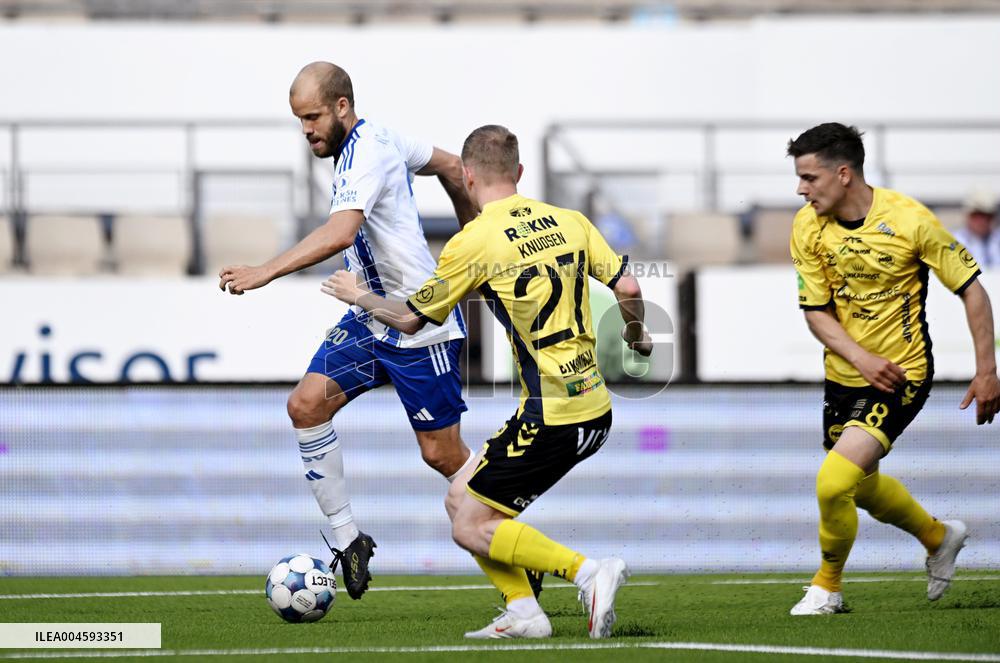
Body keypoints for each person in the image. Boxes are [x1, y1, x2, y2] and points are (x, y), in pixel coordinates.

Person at [322, 124, 653, 638]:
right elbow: (628, 285)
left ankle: (588, 573)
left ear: (468, 176)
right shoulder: (570, 220)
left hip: (552, 414)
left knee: (468, 524)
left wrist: (358, 294)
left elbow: (411, 320)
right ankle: (524, 612)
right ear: (519, 172)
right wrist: (636, 333)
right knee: (460, 498)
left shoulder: (473, 241)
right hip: (595, 407)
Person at [218, 62, 479, 600]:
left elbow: (341, 233)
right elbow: (453, 165)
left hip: (415, 320)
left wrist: (264, 271)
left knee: (442, 456)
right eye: (298, 120)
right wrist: (472, 228)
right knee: (305, 406)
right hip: (368, 313)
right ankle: (349, 540)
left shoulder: (367, 152)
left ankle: (517, 544)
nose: (306, 129)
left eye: (312, 116)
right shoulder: (383, 137)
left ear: (341, 106)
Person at [786, 122, 1000, 615]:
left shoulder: (909, 220)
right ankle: (938, 536)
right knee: (858, 487)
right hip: (845, 376)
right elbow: (815, 310)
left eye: (809, 177)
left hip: (901, 376)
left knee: (832, 483)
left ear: (843, 174)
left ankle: (827, 588)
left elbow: (972, 289)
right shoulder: (806, 225)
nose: (801, 189)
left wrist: (986, 370)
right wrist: (858, 357)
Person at [952, 189, 1000, 267]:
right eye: (977, 215)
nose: (982, 221)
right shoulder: (955, 241)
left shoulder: (997, 239)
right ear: (968, 215)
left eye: (987, 216)